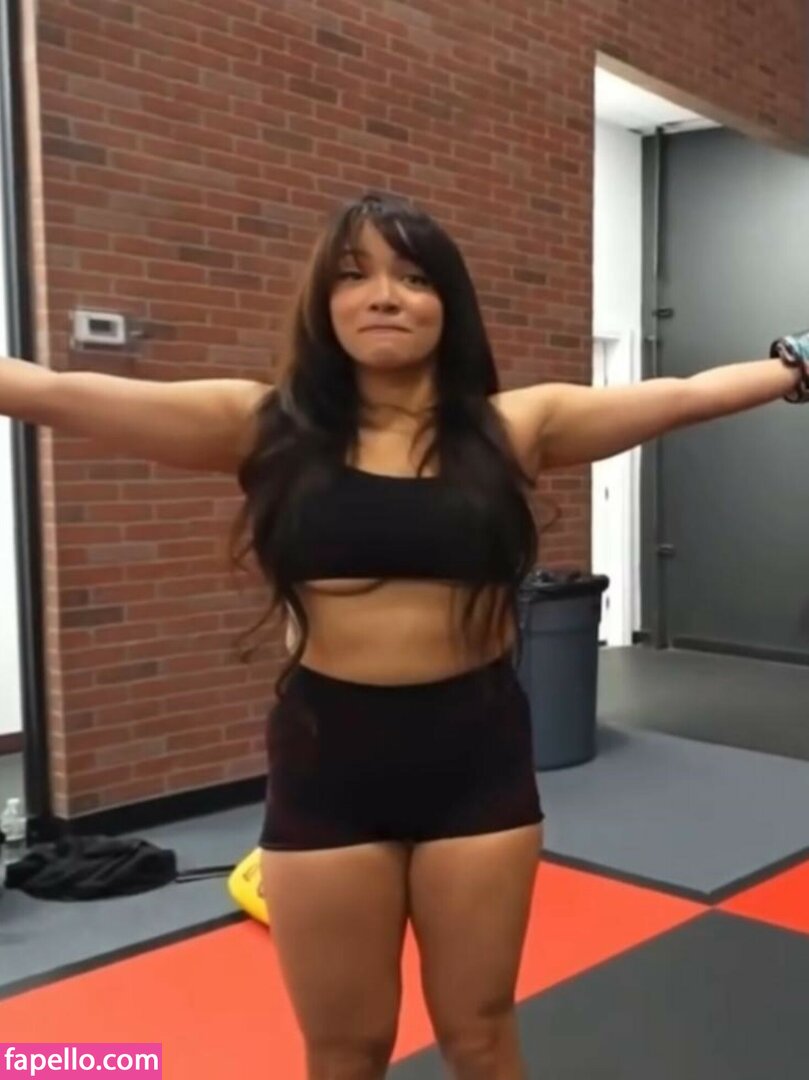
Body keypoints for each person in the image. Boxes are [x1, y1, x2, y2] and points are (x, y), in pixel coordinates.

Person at [2, 190, 808, 1079]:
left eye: (414, 278)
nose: (384, 296)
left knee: (479, 1033)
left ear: (447, 305)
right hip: (327, 763)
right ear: (324, 303)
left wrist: (794, 362)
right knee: (345, 1048)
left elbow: (683, 396)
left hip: (474, 759)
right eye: (355, 277)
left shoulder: (513, 428)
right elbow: (52, 392)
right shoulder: (262, 427)